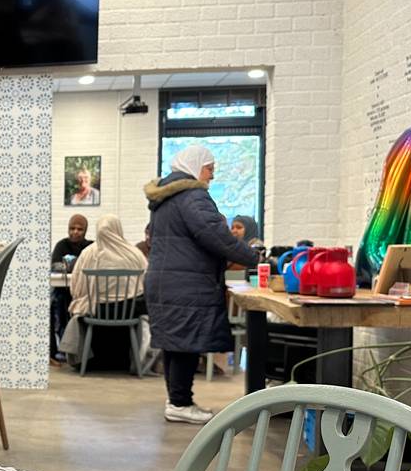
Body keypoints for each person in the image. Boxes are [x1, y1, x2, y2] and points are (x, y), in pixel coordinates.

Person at [144, 147, 259, 424]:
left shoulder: (166, 197)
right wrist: (254, 257)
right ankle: (180, 403)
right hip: (186, 282)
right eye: (209, 168)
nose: (212, 175)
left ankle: (177, 401)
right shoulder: (192, 196)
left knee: (175, 343)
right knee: (185, 342)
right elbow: (216, 236)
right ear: (195, 166)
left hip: (166, 280)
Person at [64, 215, 147, 370]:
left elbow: (76, 286)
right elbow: (145, 283)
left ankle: (87, 359)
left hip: (97, 311)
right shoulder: (134, 253)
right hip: (128, 311)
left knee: (76, 307)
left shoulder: (88, 253)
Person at [49, 214, 89, 362]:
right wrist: (75, 265)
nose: (75, 232)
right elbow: (55, 265)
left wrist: (70, 265)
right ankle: (61, 346)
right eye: (72, 228)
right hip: (63, 290)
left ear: (85, 231)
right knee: (58, 301)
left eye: (79, 229)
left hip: (83, 292)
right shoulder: (62, 245)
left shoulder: (89, 246)